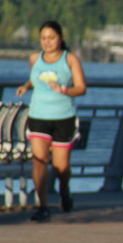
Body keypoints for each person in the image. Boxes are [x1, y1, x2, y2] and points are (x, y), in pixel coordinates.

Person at [15, 20, 87, 222]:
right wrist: (26, 86)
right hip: (38, 116)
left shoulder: (70, 59)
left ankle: (64, 189)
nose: (47, 42)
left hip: (63, 117)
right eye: (43, 38)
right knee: (39, 161)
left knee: (61, 168)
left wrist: (63, 89)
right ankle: (43, 206)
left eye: (52, 38)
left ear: (60, 39)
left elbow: (81, 87)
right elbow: (35, 77)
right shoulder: (34, 58)